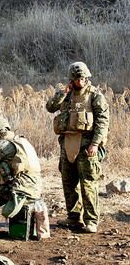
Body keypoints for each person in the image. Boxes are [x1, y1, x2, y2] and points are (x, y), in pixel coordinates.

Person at [46, 61, 109, 233]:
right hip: (67, 143)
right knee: (68, 182)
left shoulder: (95, 96)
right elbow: (50, 107)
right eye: (76, 79)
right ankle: (73, 217)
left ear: (87, 77)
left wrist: (95, 144)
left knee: (88, 184)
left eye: (82, 78)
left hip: (87, 145)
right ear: (71, 80)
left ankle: (91, 220)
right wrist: (62, 93)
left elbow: (103, 123)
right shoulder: (66, 94)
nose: (79, 82)